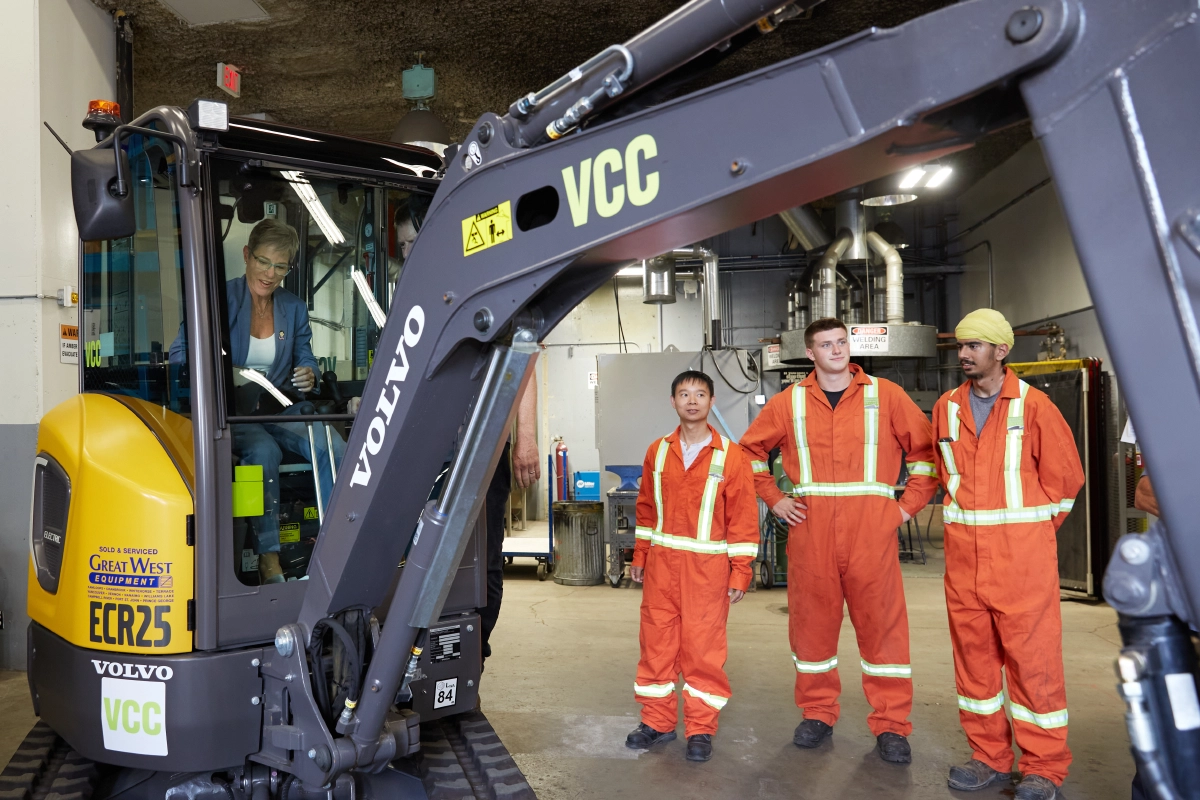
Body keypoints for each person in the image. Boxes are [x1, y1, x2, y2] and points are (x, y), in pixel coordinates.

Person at [740, 318, 937, 764]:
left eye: (842, 342)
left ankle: (891, 725)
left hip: (872, 533)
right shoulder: (789, 402)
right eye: (826, 345)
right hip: (811, 532)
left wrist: (905, 509)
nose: (837, 350)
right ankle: (817, 713)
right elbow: (748, 453)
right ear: (810, 354)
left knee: (883, 630)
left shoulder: (886, 395)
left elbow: (925, 454)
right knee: (811, 628)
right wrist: (774, 498)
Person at [933, 308, 1083, 800]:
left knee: (1033, 666)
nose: (964, 354)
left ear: (1001, 350)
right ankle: (989, 758)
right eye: (961, 346)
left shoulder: (1035, 406)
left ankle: (1044, 768)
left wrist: (1028, 534)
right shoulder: (946, 408)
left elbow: (1065, 481)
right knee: (974, 667)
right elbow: (946, 477)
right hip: (964, 566)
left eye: (974, 346)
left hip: (1022, 565)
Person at [389, 192, 540, 661]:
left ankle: (476, 648)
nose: (407, 252)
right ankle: (417, 650)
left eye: (412, 242)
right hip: (427, 445)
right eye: (403, 245)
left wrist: (526, 439)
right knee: (420, 549)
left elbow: (524, 360)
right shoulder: (410, 295)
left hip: (481, 445)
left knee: (482, 550)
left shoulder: (486, 285)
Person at [173, 218, 346, 583]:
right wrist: (221, 372)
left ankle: (337, 548)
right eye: (264, 262)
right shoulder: (218, 300)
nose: (270, 274)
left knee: (332, 446)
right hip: (233, 413)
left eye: (280, 267)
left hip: (279, 409)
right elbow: (180, 354)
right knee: (263, 453)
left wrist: (309, 373)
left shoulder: (293, 308)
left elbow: (306, 357)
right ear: (247, 255)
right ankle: (269, 558)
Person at [625, 370, 759, 763]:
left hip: (707, 572)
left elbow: (743, 517)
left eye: (700, 394)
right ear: (673, 402)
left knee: (703, 651)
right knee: (656, 647)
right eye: (684, 394)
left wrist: (741, 570)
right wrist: (640, 554)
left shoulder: (730, 456)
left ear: (712, 401)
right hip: (662, 569)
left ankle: (700, 729)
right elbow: (646, 509)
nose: (692, 401)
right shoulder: (657, 451)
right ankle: (657, 722)